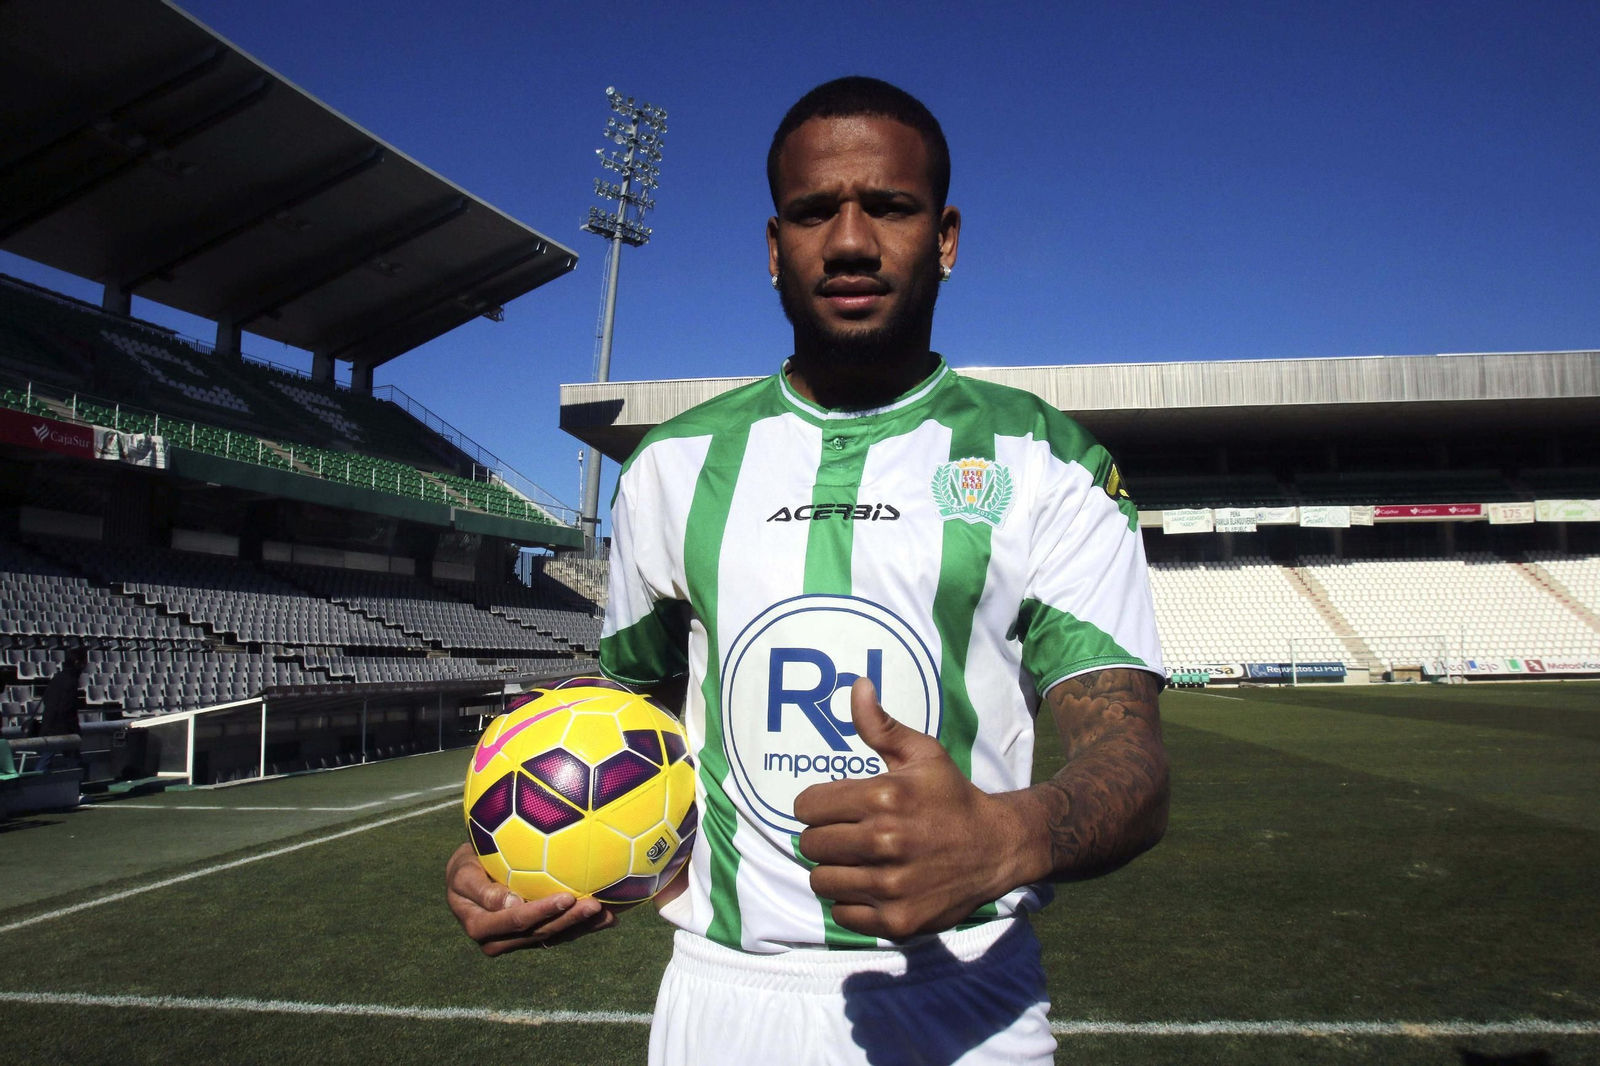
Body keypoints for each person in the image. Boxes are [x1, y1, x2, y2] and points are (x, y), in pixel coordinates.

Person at [447, 76, 1169, 1064]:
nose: (851, 240)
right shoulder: (670, 469)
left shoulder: (1047, 463)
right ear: (774, 245)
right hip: (722, 999)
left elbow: (1129, 761)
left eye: (891, 207)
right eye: (814, 211)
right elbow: (623, 710)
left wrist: (1013, 835)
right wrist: (516, 843)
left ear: (946, 237)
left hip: (965, 999)